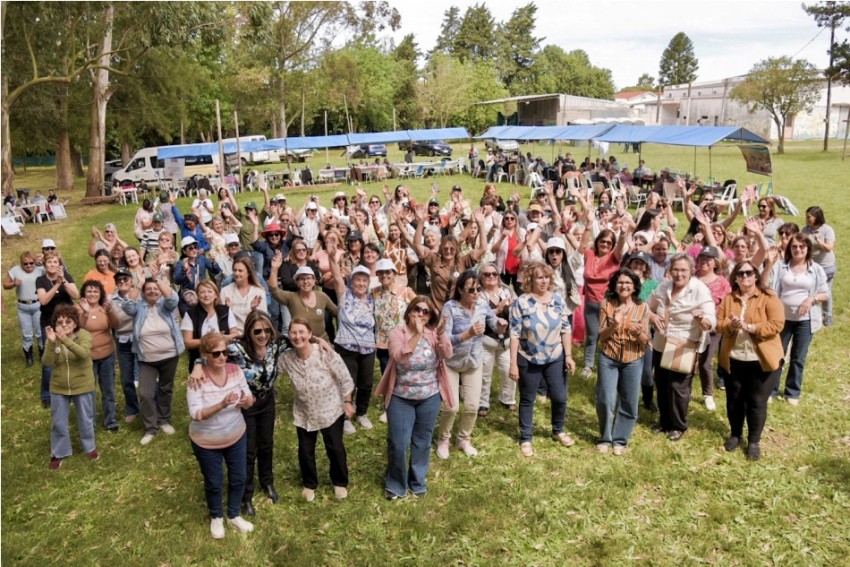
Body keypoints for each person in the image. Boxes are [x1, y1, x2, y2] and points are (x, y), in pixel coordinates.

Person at [374, 297, 452, 500]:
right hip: (401, 397)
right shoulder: (397, 333)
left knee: (422, 441)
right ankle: (396, 483)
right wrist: (416, 335)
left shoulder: (433, 334)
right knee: (398, 443)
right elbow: (400, 357)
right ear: (409, 311)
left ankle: (417, 481)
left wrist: (442, 334)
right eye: (417, 309)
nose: (421, 314)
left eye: (426, 312)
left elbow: (447, 353)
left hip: (429, 396)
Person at [186, 332, 255, 539]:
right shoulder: (196, 378)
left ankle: (233, 515)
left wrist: (246, 401)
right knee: (214, 482)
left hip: (236, 435)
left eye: (225, 352)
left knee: (239, 477)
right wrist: (221, 404)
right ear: (204, 355)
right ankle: (216, 516)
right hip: (206, 441)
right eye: (216, 353)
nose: (222, 357)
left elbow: (249, 397)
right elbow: (196, 414)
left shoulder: (235, 371)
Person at [279, 318, 355, 501]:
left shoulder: (325, 354)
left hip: (330, 409)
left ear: (310, 334)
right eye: (293, 333)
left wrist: (347, 401)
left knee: (335, 447)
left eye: (301, 332)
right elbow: (269, 369)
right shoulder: (286, 358)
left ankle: (339, 482)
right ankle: (309, 484)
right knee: (305, 450)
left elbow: (346, 379)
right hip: (304, 413)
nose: (298, 336)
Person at [716, 261, 785, 461]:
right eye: (740, 273)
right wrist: (732, 324)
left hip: (761, 360)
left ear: (755, 275)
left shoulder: (769, 297)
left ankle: (754, 440)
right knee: (735, 399)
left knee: (756, 400)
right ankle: (735, 434)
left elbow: (777, 324)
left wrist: (751, 327)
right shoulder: (729, 299)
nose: (744, 276)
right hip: (734, 358)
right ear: (735, 277)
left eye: (748, 273)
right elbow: (719, 324)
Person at [509, 262, 577, 457]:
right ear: (531, 280)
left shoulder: (557, 300)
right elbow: (514, 334)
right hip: (528, 357)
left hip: (554, 356)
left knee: (560, 396)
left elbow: (566, 328)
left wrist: (569, 356)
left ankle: (558, 430)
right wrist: (513, 363)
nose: (544, 281)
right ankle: (526, 437)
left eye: (546, 277)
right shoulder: (521, 302)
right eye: (539, 277)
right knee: (528, 398)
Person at [646, 253, 716, 441]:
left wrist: (704, 320)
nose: (679, 274)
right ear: (670, 270)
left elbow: (711, 317)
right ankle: (664, 421)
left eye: (683, 270)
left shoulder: (699, 289)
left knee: (678, 386)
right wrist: (652, 317)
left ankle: (678, 425)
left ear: (692, 271)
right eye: (675, 269)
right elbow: (647, 307)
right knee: (661, 382)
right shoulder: (663, 287)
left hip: (683, 343)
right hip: (662, 342)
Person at [436, 270, 504, 459]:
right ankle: (444, 439)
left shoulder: (482, 305)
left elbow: (493, 323)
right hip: (451, 361)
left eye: (478, 289)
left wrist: (500, 325)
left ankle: (463, 439)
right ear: (460, 290)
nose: (476, 293)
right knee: (451, 407)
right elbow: (444, 339)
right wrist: (467, 334)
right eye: (471, 290)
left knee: (473, 406)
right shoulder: (450, 308)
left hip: (473, 361)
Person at [764, 233, 830, 406]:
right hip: (782, 319)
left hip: (805, 320)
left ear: (808, 249)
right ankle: (771, 389)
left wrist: (811, 299)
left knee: (798, 357)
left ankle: (792, 392)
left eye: (802, 246)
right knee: (778, 355)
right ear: (789, 249)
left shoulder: (815, 269)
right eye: (794, 247)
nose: (798, 250)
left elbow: (826, 293)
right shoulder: (781, 266)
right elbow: (767, 286)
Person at [122, 274, 185, 445]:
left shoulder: (166, 305)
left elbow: (173, 298)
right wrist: (140, 284)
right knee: (145, 393)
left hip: (170, 355)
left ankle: (163, 420)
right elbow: (127, 305)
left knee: (165, 388)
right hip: (146, 358)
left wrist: (157, 281)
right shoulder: (139, 307)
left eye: (155, 289)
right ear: (143, 293)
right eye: (148, 289)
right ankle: (151, 427)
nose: (152, 291)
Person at [595, 268, 650, 455]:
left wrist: (638, 333)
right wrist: (614, 324)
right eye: (620, 282)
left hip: (633, 359)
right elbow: (601, 336)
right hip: (608, 357)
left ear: (634, 287)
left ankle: (620, 440)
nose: (624, 285)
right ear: (615, 286)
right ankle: (605, 437)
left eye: (628, 282)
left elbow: (646, 340)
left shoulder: (643, 307)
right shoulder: (606, 304)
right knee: (605, 399)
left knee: (629, 401)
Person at [327, 238, 377, 435]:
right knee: (348, 382)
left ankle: (362, 413)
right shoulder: (344, 294)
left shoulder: (373, 299)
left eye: (364, 281)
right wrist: (332, 257)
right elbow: (337, 277)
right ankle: (346, 416)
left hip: (368, 348)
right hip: (346, 347)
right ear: (352, 281)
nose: (361, 283)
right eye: (358, 280)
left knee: (366, 383)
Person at [43, 304, 99, 470]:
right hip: (59, 387)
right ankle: (59, 453)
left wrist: (65, 340)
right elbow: (47, 362)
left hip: (82, 384)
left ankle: (89, 447)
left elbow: (83, 354)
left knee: (85, 419)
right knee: (58, 422)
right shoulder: (52, 338)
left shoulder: (84, 335)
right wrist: (52, 343)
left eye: (68, 321)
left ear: (75, 323)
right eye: (60, 322)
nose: (64, 325)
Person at [578, 227, 628, 378]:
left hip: (608, 303)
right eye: (602, 241)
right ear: (597, 241)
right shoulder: (589, 255)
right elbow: (581, 245)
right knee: (592, 336)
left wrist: (623, 234)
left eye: (608, 242)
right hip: (590, 303)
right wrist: (587, 225)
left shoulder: (614, 257)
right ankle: (588, 365)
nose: (605, 244)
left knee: (608, 335)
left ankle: (608, 364)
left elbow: (620, 247)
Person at [36, 252, 80, 407]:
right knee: (49, 359)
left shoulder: (66, 276)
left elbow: (76, 295)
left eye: (55, 262)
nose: (52, 264)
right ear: (45, 265)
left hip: (67, 323)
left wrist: (64, 282)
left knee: (69, 355)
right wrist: (56, 284)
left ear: (59, 264)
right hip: (49, 323)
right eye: (49, 262)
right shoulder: (41, 280)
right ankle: (46, 395)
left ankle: (71, 390)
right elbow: (43, 300)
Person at [77, 280, 119, 432]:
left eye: (95, 291)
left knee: (108, 389)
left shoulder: (105, 308)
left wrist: (110, 311)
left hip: (107, 355)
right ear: (84, 294)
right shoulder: (78, 309)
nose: (92, 294)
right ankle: (90, 423)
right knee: (89, 391)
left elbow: (116, 325)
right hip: (87, 358)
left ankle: (111, 421)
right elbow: (77, 330)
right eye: (89, 291)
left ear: (101, 294)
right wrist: (86, 313)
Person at [694, 246, 732, 409]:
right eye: (701, 258)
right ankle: (684, 390)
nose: (704, 262)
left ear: (715, 263)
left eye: (708, 259)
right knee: (688, 361)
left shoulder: (722, 282)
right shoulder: (691, 278)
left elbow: (728, 305)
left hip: (713, 328)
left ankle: (707, 394)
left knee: (705, 362)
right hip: (691, 326)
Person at [477, 263, 516, 416]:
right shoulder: (479, 294)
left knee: (507, 370)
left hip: (505, 341)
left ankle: (508, 399)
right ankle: (482, 403)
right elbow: (477, 314)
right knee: (484, 373)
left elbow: (517, 313)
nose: (491, 276)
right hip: (486, 340)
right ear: (481, 277)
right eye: (487, 274)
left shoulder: (507, 292)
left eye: (494, 273)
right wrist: (497, 310)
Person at [107, 268, 140, 423]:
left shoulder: (139, 296)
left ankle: (150, 406)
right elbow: (117, 322)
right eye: (119, 280)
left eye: (125, 279)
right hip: (122, 342)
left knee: (146, 376)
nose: (122, 282)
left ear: (131, 281)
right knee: (126, 378)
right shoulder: (110, 300)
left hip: (140, 340)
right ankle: (132, 408)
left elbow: (137, 316)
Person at [181, 280, 238, 369]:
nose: (206, 295)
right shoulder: (190, 314)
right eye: (202, 292)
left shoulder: (225, 311)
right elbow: (188, 342)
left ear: (216, 294)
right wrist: (210, 341)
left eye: (209, 291)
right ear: (198, 296)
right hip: (201, 361)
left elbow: (234, 333)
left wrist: (223, 338)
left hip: (225, 358)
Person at [4, 251, 45, 366]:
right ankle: (29, 357)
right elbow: (5, 284)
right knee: (26, 334)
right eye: (25, 264)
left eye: (31, 263)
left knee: (40, 332)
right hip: (23, 307)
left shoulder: (39, 269)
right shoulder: (15, 270)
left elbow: (52, 273)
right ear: (21, 264)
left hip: (37, 305)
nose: (29, 266)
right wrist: (13, 284)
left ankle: (43, 353)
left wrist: (43, 260)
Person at [801, 206, 835, 327]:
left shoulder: (827, 230)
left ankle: (827, 316)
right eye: (807, 216)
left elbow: (829, 248)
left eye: (809, 217)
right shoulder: (805, 229)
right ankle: (811, 315)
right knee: (809, 289)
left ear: (817, 217)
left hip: (826, 266)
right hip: (810, 266)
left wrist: (819, 241)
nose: (807, 219)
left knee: (826, 291)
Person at [219, 257, 266, 335]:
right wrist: (227, 309)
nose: (237, 273)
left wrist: (253, 309)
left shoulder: (259, 292)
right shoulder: (225, 291)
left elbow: (263, 319)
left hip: (253, 335)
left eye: (240, 271)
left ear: (248, 272)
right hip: (232, 336)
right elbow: (221, 319)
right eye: (235, 270)